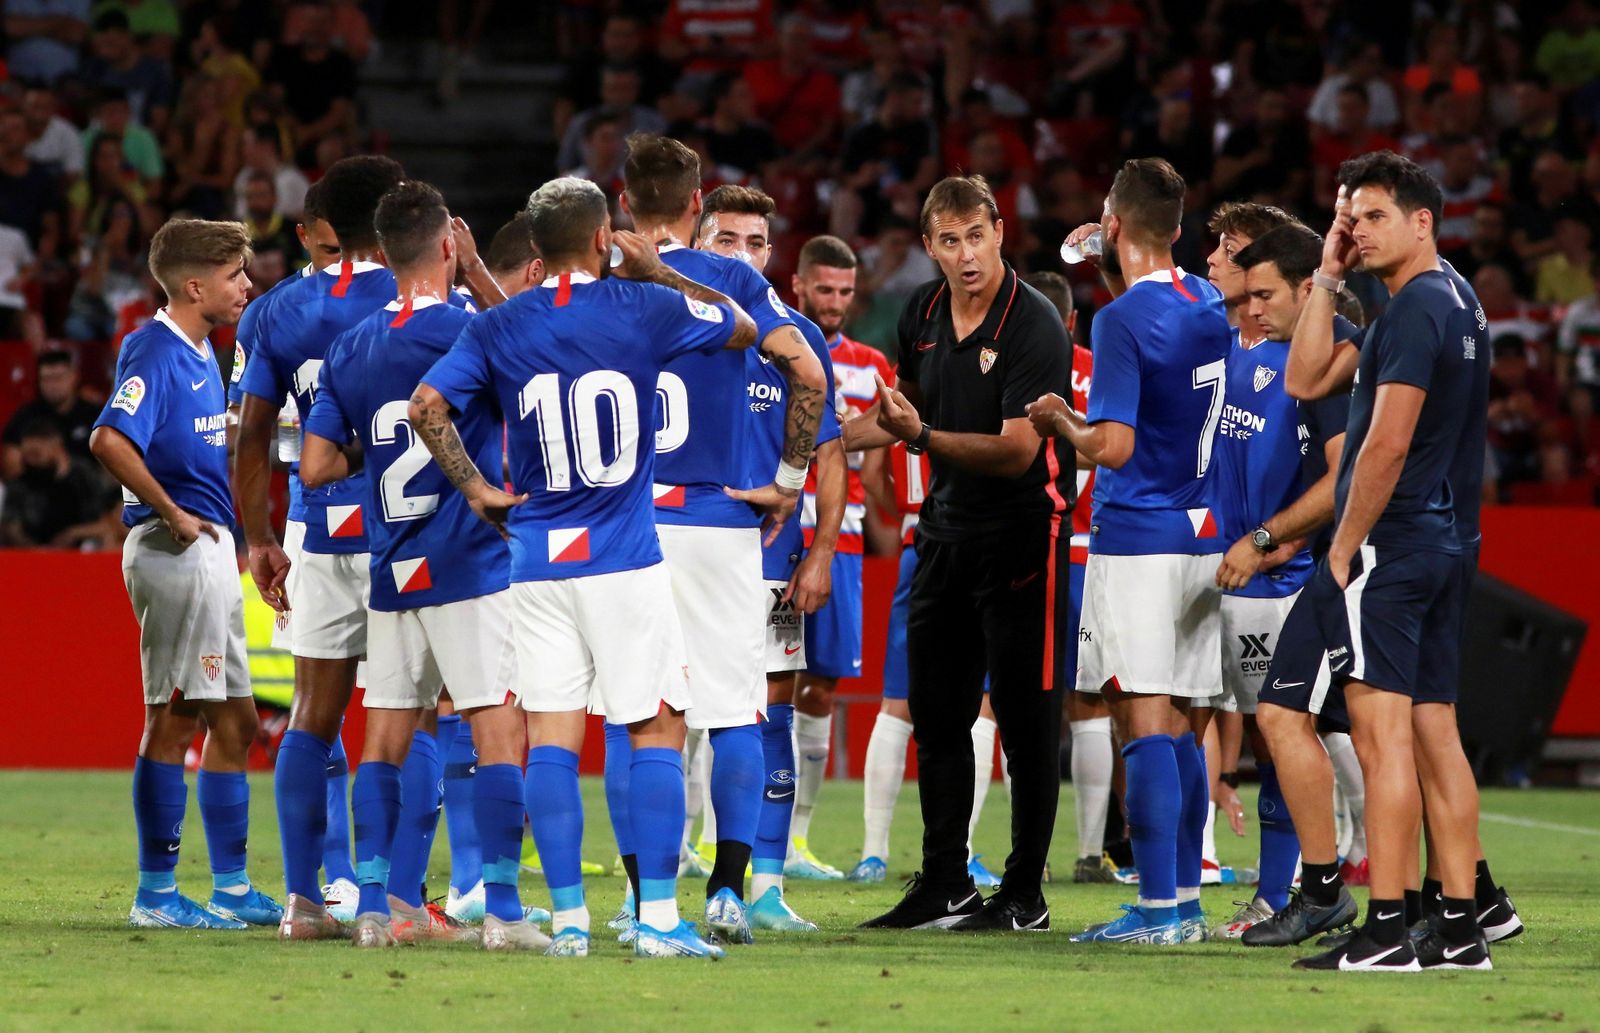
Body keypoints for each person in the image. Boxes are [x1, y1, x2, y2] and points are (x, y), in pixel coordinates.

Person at [411, 175, 760, 959]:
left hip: (535, 559)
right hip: (625, 556)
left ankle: (569, 923)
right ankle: (661, 922)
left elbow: (425, 406)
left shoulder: (501, 324)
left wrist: (476, 489)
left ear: (535, 250)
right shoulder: (647, 305)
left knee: (554, 739)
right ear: (606, 239)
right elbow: (740, 327)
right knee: (657, 726)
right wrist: (662, 269)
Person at [299, 180, 538, 951]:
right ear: (446, 245)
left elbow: (313, 464)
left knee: (385, 737)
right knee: (498, 727)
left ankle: (374, 906)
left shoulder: (353, 343)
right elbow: (541, 361)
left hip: (391, 565)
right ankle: (502, 910)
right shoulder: (476, 327)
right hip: (469, 558)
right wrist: (479, 274)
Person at [1265, 154, 1490, 972]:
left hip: (1391, 543)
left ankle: (1390, 925)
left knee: (1381, 736)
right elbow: (1302, 376)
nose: (1356, 229)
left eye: (1373, 216)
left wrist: (1340, 545)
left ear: (1421, 221)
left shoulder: (1411, 313)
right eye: (1350, 216)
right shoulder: (1454, 298)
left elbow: (1387, 442)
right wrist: (1326, 275)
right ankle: (1462, 927)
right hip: (1446, 541)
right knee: (1436, 732)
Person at [601, 134, 826, 947]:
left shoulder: (601, 276)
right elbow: (807, 370)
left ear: (624, 202)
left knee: (636, 714)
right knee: (734, 712)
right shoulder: (734, 280)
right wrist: (790, 480)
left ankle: (640, 897)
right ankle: (728, 891)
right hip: (718, 523)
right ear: (698, 206)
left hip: (621, 524)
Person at [851, 175, 1074, 932]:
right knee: (938, 716)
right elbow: (904, 412)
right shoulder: (919, 312)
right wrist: (825, 441)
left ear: (1000, 231)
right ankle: (945, 881)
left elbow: (1016, 453)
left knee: (1025, 718)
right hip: (944, 534)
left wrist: (917, 437)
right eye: (949, 240)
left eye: (975, 235)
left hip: (1023, 537)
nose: (966, 253)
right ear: (929, 248)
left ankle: (1025, 894)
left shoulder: (1034, 322)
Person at [1034, 158, 1232, 945]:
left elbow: (1111, 445)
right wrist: (1112, 264)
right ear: (1179, 229)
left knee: (1141, 718)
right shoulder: (1207, 299)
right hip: (1202, 535)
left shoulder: (1117, 322)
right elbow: (1163, 353)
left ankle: (1155, 910)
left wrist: (1062, 421)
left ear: (1114, 225)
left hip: (1139, 535)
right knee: (1181, 721)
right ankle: (1181, 900)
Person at [87, 217, 281, 929]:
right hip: (176, 554)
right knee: (174, 717)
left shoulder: (201, 352)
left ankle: (230, 887)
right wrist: (170, 510)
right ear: (195, 285)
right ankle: (157, 896)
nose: (247, 285)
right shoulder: (155, 349)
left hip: (211, 554)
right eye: (236, 275)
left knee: (235, 720)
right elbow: (108, 437)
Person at [235, 155, 408, 941]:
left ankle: (303, 902)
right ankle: (394, 902)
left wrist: (260, 536)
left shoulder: (272, 311)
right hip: (405, 528)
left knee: (311, 711)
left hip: (312, 526)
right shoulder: (419, 299)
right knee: (411, 714)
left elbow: (252, 433)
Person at [695, 185, 846, 930]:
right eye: (728, 240)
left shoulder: (794, 341)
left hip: (771, 562)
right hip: (687, 549)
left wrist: (819, 551)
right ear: (698, 240)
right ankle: (673, 876)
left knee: (766, 717)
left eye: (757, 243)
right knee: (665, 714)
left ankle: (764, 886)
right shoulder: (680, 327)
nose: (744, 256)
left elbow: (833, 456)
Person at [1207, 224, 1358, 939]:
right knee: (1301, 727)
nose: (1223, 269)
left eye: (1257, 280)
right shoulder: (1240, 341)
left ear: (1304, 285)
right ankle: (1364, 887)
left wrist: (1271, 539)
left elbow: (1340, 479)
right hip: (1258, 566)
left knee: (1305, 728)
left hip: (1295, 573)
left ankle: (1308, 887)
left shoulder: (1327, 355)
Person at [785, 235, 894, 882]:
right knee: (757, 681)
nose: (834, 302)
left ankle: (795, 841)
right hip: (775, 530)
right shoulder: (778, 346)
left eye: (845, 292)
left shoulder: (872, 364)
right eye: (823, 289)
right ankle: (709, 836)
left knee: (821, 683)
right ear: (798, 285)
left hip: (843, 538)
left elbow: (878, 467)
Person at [1022, 270, 1113, 886]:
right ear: (1074, 321)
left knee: (1006, 702)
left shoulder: (1014, 367)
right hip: (1089, 554)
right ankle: (1088, 853)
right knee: (1090, 705)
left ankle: (983, 853)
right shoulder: (1102, 371)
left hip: (1027, 549)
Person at [0, 419, 121, 548]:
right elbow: (11, 527)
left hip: (86, 549)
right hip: (34, 553)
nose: (30, 461)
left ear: (56, 444)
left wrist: (73, 533)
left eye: (36, 454)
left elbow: (109, 521)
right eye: (26, 456)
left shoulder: (85, 476)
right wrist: (35, 549)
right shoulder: (22, 483)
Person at [2, 350, 102, 478]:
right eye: (46, 379)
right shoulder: (26, 416)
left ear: (74, 377)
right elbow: (10, 467)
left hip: (85, 489)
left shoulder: (94, 414)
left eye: (58, 378)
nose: (52, 385)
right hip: (37, 490)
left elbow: (111, 466)